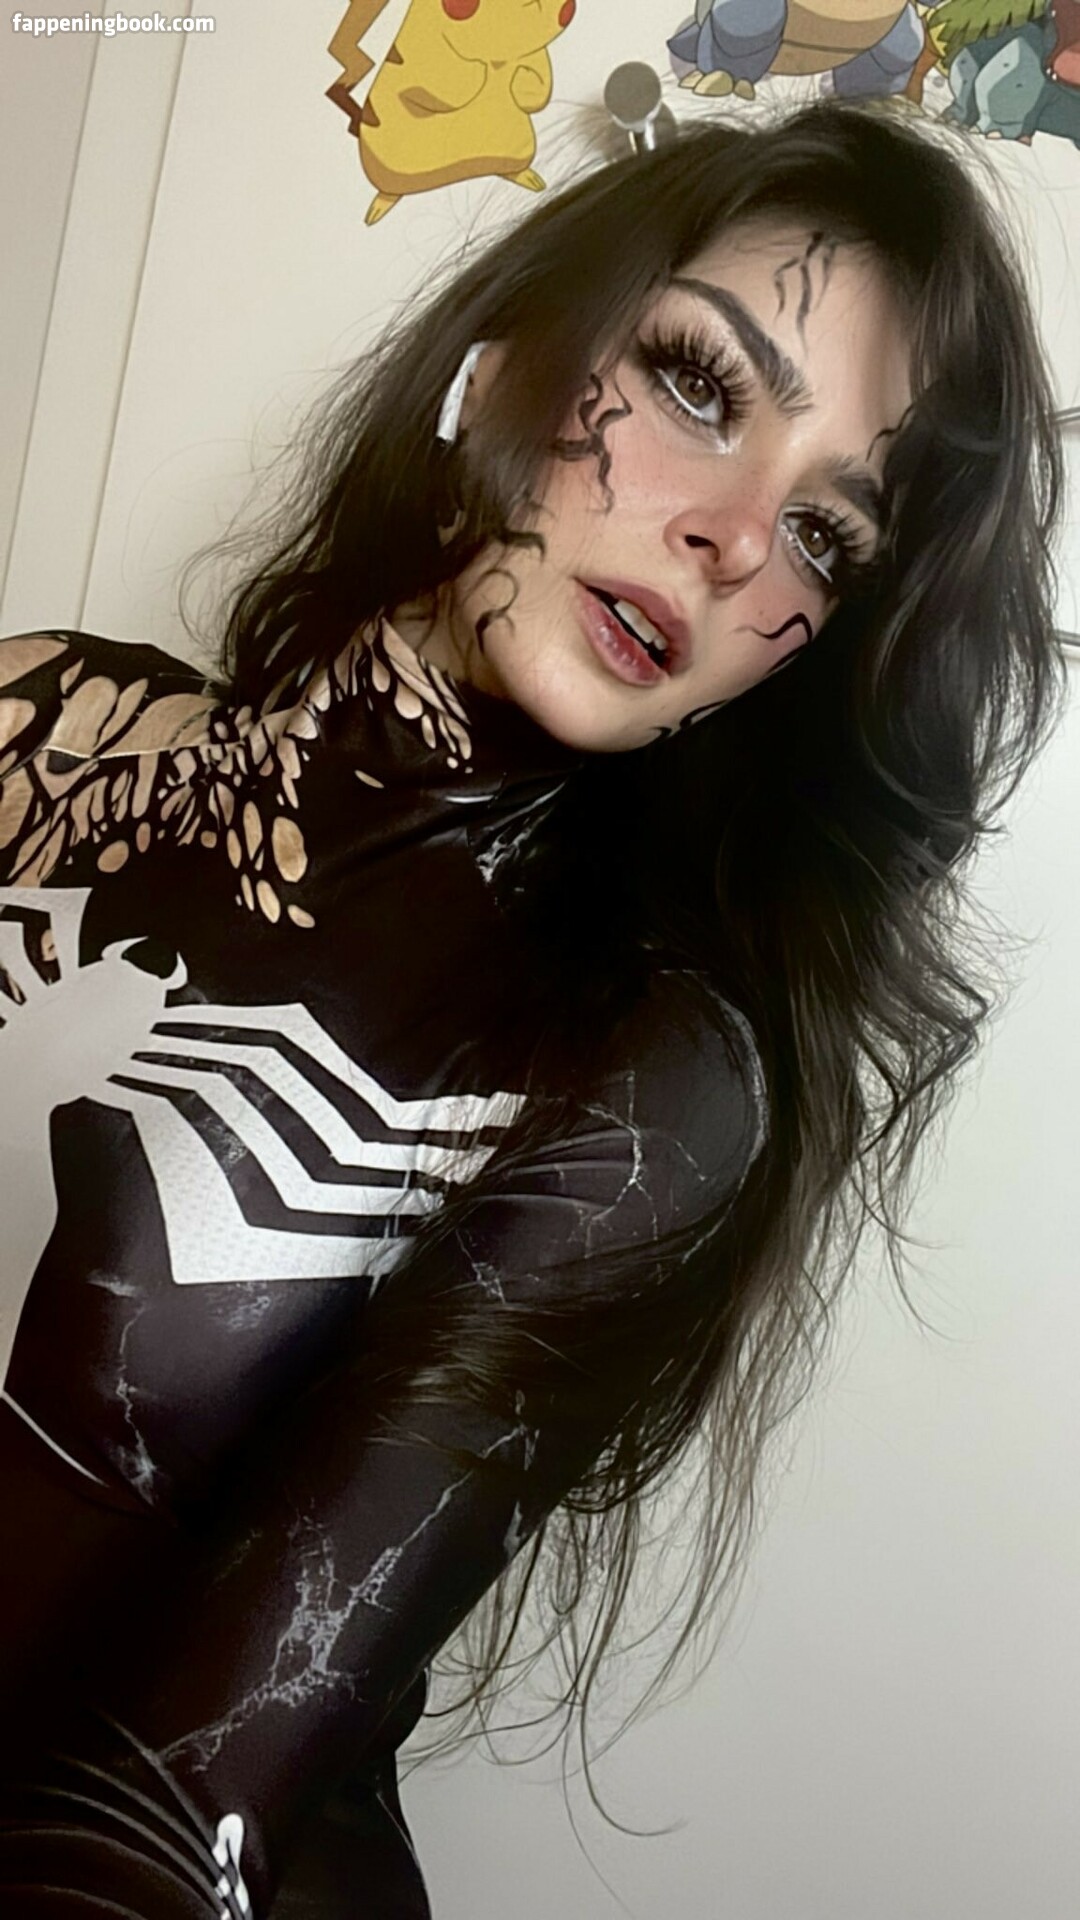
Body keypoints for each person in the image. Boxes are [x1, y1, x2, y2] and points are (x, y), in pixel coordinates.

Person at [0, 99, 1064, 1916]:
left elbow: (164, 1825)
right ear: (500, 357)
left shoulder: (656, 1077)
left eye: (827, 536)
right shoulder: (43, 720)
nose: (737, 537)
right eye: (698, 386)